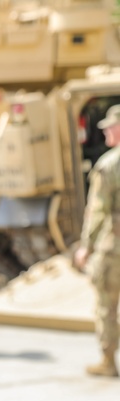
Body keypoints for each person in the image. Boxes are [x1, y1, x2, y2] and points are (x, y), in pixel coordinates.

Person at [74, 105, 120, 378]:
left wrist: (86, 246)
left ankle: (107, 359)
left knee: (106, 303)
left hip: (114, 248)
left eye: (110, 126)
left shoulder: (109, 165)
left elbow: (98, 211)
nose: (104, 131)